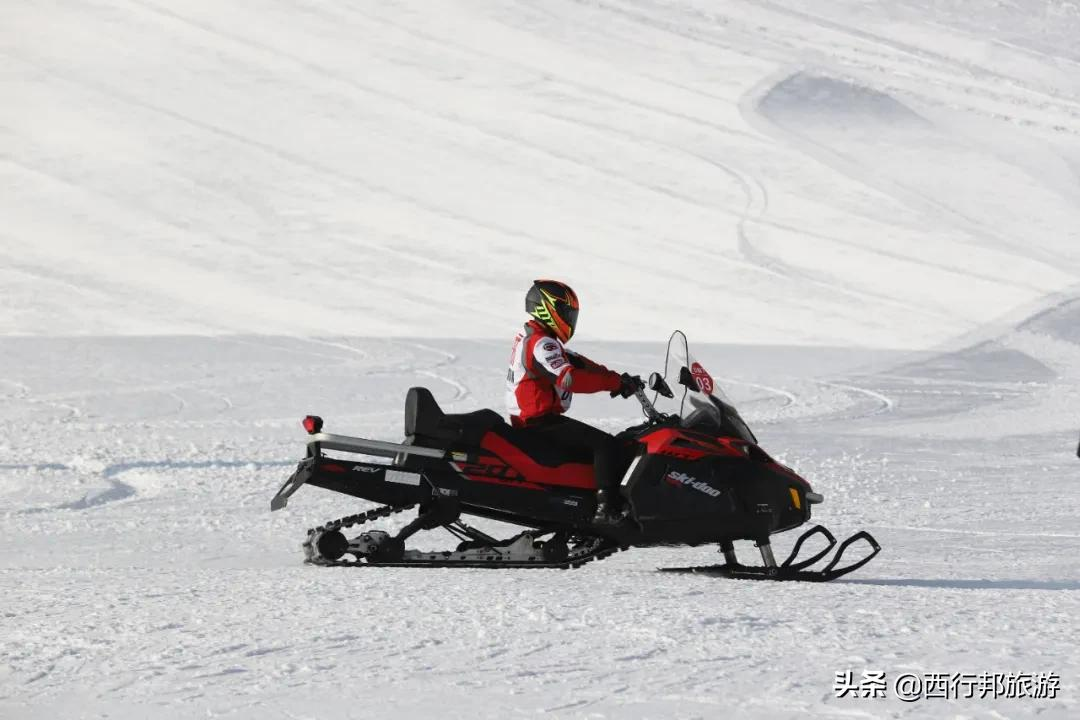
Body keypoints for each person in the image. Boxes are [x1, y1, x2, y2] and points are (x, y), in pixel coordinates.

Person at [505, 279, 643, 522]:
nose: (570, 319)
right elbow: (570, 378)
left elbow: (579, 362)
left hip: (536, 420)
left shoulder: (537, 337)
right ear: (548, 309)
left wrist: (617, 378)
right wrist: (612, 384)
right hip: (539, 423)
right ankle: (606, 509)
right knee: (606, 446)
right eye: (566, 313)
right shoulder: (541, 343)